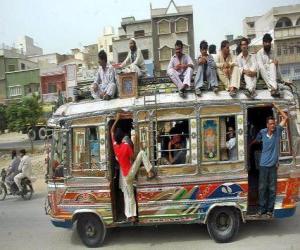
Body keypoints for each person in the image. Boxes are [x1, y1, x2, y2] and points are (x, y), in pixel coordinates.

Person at [111, 113, 156, 222]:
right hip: (131, 172)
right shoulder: (126, 146)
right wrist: (135, 140)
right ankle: (149, 171)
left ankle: (131, 216)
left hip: (126, 178)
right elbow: (133, 157)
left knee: (130, 196)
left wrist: (116, 120)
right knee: (141, 153)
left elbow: (112, 131)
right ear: (123, 138)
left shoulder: (115, 147)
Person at [251, 103, 288, 217]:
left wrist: (276, 106)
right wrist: (250, 145)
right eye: (271, 124)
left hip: (272, 166)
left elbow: (286, 118)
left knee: (272, 189)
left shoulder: (277, 131)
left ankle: (269, 210)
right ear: (267, 125)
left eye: (274, 123)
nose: (273, 125)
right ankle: (262, 209)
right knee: (262, 188)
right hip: (263, 165)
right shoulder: (262, 132)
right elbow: (256, 141)